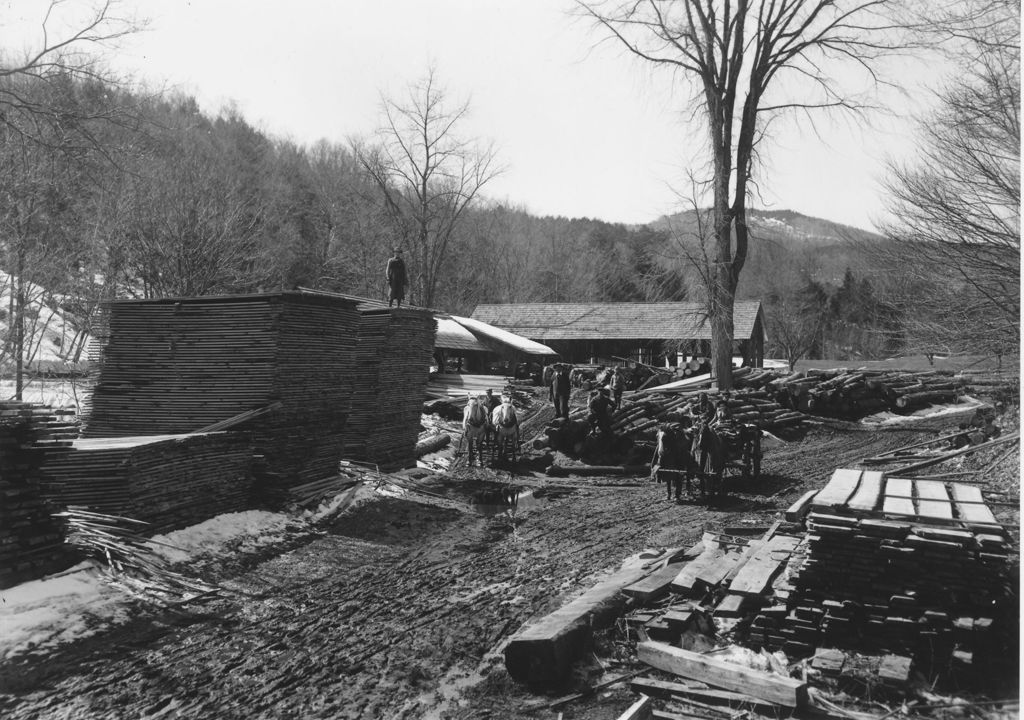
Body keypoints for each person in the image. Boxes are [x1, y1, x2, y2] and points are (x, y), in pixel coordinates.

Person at [462, 394, 488, 467]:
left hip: (481, 424)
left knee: (479, 443)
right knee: (470, 443)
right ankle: (469, 459)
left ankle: (479, 459)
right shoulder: (467, 408)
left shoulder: (482, 408)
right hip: (470, 425)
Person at [492, 396, 521, 462]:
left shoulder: (512, 407)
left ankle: (513, 453)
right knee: (496, 422)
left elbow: (514, 412)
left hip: (511, 418)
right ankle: (500, 451)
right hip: (501, 421)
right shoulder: (499, 408)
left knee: (517, 420)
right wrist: (495, 423)